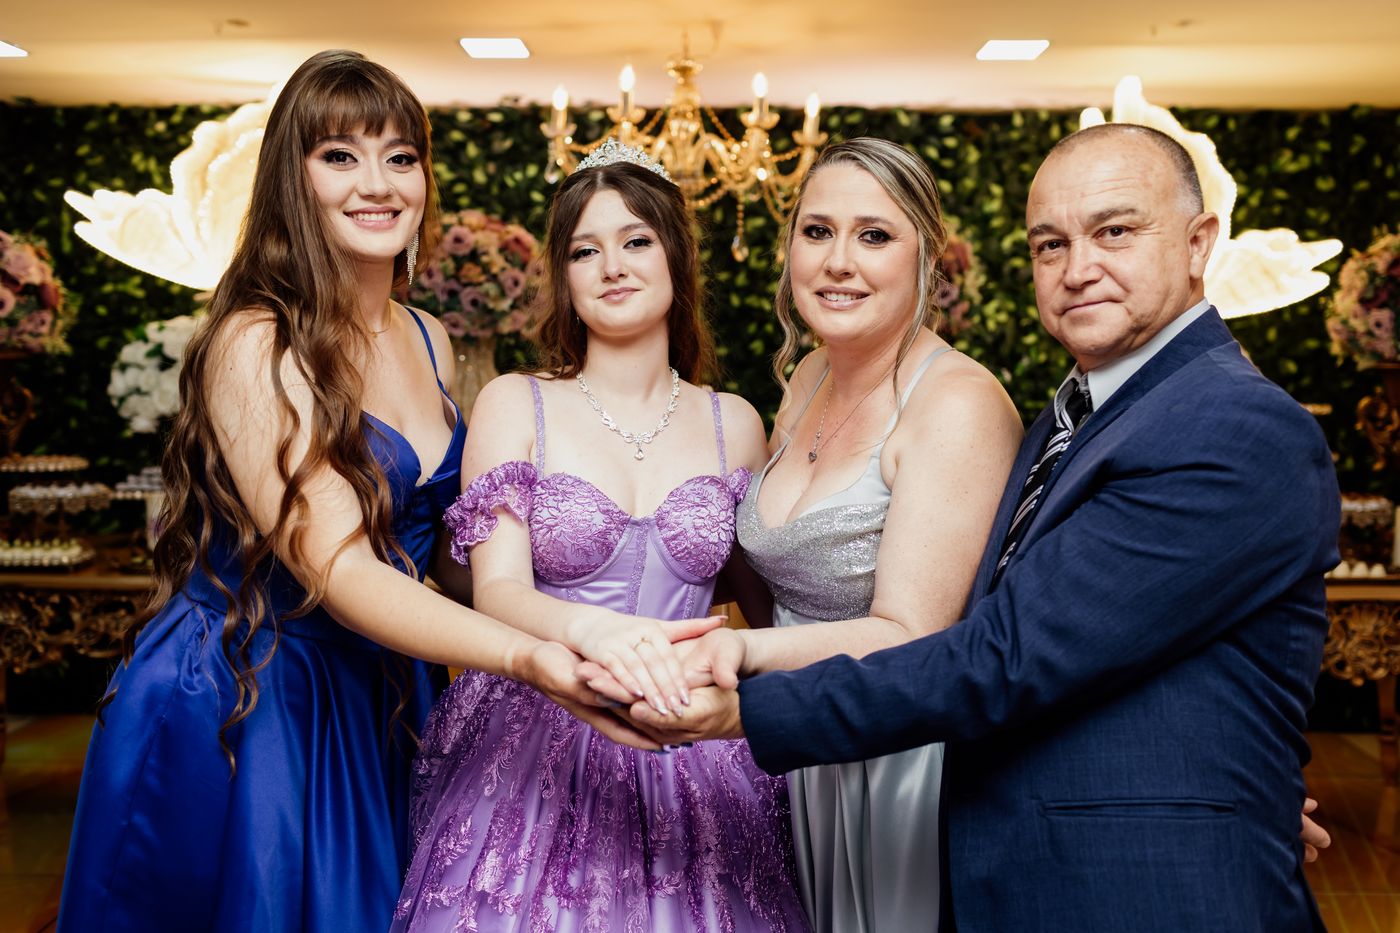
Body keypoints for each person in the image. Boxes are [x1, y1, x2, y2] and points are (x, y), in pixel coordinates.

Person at [626, 124, 1340, 931]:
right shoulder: (1078, 412)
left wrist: (743, 705)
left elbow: (1004, 656)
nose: (1078, 268)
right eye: (1050, 244)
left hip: (1139, 879)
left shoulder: (1233, 426)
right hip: (1002, 825)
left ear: (1198, 243)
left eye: (1114, 231)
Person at [58, 51, 651, 933]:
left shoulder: (429, 335)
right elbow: (340, 569)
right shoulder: (257, 341)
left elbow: (443, 556)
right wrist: (531, 659)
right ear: (291, 179)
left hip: (389, 685)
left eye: (400, 156)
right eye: (339, 155)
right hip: (256, 694)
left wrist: (593, 594)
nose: (377, 183)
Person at [390, 141, 809, 931]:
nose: (612, 266)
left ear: (675, 256)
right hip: (539, 723)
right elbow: (498, 589)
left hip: (693, 738)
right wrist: (596, 635)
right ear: (564, 275)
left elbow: (771, 611)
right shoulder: (517, 403)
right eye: (586, 250)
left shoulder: (737, 423)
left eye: (635, 241)